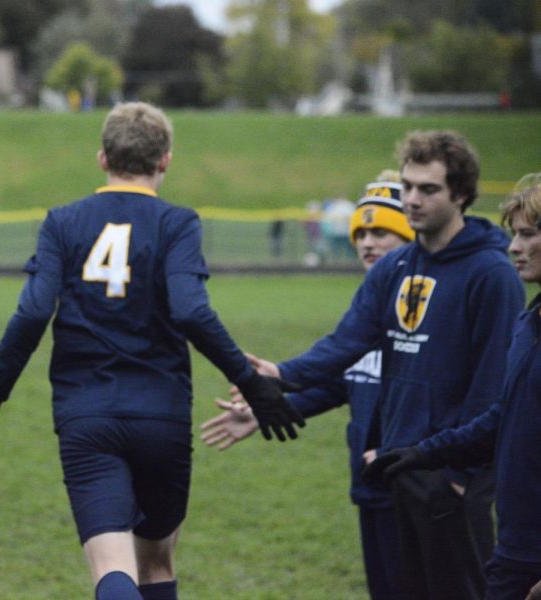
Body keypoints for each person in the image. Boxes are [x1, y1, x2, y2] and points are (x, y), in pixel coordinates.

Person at [0, 102, 304, 600]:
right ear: (166, 160)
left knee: (113, 568)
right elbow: (192, 311)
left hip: (87, 416)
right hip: (161, 416)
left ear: (102, 158)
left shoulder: (62, 223)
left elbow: (32, 312)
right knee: (156, 563)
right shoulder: (177, 223)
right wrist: (255, 386)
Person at [238, 130, 525, 599]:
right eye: (409, 186)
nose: (413, 199)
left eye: (428, 189)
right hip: (400, 467)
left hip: (451, 477)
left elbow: (493, 388)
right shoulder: (396, 267)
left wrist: (457, 477)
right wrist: (283, 373)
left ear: (462, 194)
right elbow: (347, 341)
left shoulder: (491, 274)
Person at [201, 172, 415, 599]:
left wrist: (281, 376)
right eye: (362, 232)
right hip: (371, 482)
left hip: (417, 485)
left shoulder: (418, 309)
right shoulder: (366, 309)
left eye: (383, 232)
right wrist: (269, 410)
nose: (368, 242)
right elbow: (340, 382)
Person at [363, 176, 541, 600]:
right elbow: (505, 417)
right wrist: (425, 453)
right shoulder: (529, 323)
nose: (514, 247)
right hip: (516, 548)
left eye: (528, 234)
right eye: (514, 233)